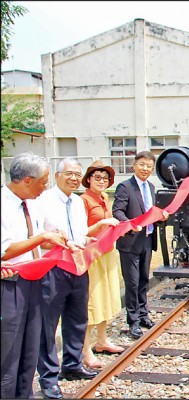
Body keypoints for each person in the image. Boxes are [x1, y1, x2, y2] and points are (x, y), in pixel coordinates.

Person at [1, 153, 69, 399]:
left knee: (30, 348)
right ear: (27, 180)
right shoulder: (3, 204)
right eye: (43, 181)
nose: (45, 187)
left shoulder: (30, 203)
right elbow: (6, 251)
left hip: (34, 280)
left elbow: (35, 242)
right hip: (10, 284)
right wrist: (41, 238)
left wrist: (54, 242)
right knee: (9, 352)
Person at [37, 158, 98, 399]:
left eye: (77, 174)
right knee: (48, 324)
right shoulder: (43, 201)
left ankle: (72, 365)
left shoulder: (77, 201)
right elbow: (39, 236)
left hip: (78, 265)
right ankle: (48, 378)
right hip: (53, 267)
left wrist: (86, 240)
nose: (74, 178)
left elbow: (80, 232)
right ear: (57, 175)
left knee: (77, 317)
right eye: (69, 174)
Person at [113, 151, 169, 340]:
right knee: (132, 283)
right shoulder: (125, 186)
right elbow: (117, 211)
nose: (145, 168)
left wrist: (161, 218)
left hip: (147, 239)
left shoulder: (151, 187)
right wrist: (130, 224)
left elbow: (150, 214)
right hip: (130, 242)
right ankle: (133, 321)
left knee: (144, 280)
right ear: (134, 166)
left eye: (149, 166)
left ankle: (144, 314)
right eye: (142, 164)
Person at [80, 160, 123, 370]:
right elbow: (80, 232)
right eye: (97, 177)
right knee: (91, 300)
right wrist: (101, 225)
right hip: (92, 255)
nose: (101, 181)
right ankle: (85, 349)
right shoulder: (83, 201)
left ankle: (102, 340)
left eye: (105, 179)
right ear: (88, 179)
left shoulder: (105, 198)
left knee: (106, 297)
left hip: (106, 252)